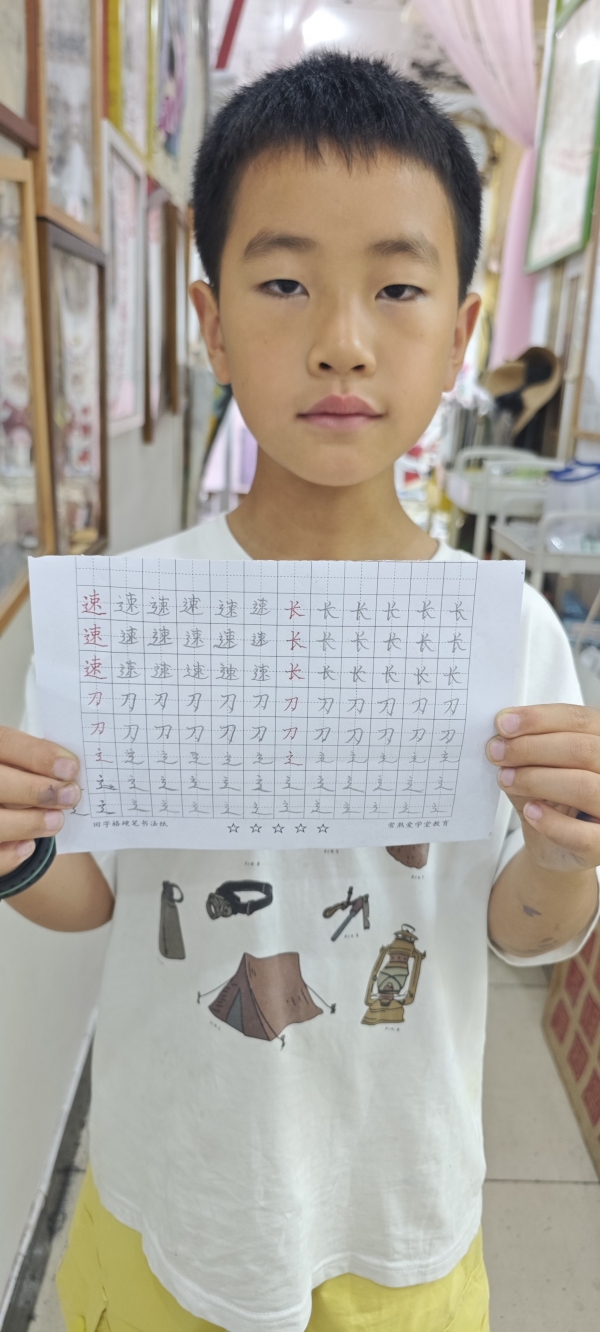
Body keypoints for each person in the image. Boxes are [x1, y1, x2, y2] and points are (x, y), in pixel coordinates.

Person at [1, 52, 599, 1332]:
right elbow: (89, 895)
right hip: (174, 1198)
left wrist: (567, 852)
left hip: (400, 1214)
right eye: (283, 283)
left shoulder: (508, 632)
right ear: (211, 323)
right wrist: (18, 854)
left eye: (397, 287)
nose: (341, 341)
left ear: (461, 335)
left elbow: (523, 932)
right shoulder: (132, 619)